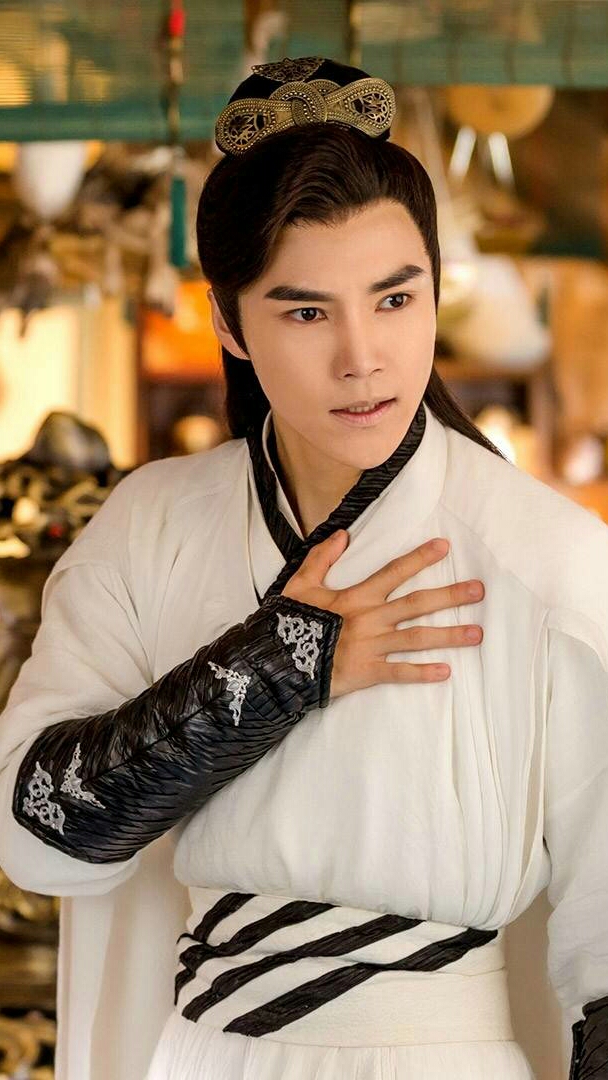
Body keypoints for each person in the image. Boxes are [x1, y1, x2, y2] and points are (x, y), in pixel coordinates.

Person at [0, 55, 606, 1080]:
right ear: (228, 323)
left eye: (394, 298)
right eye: (306, 311)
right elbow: (37, 832)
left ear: (434, 289)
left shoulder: (548, 559)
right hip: (202, 1056)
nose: (362, 356)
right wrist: (279, 669)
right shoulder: (151, 526)